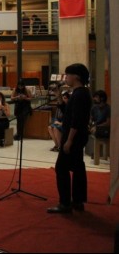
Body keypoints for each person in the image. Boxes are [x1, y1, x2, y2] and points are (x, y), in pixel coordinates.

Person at [47, 63, 92, 214]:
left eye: (67, 75)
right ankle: (78, 201)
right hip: (78, 136)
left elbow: (76, 120)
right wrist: (59, 96)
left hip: (73, 136)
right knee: (78, 167)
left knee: (61, 168)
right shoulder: (80, 93)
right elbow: (68, 112)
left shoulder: (79, 94)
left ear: (76, 77)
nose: (65, 78)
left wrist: (69, 140)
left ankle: (65, 203)